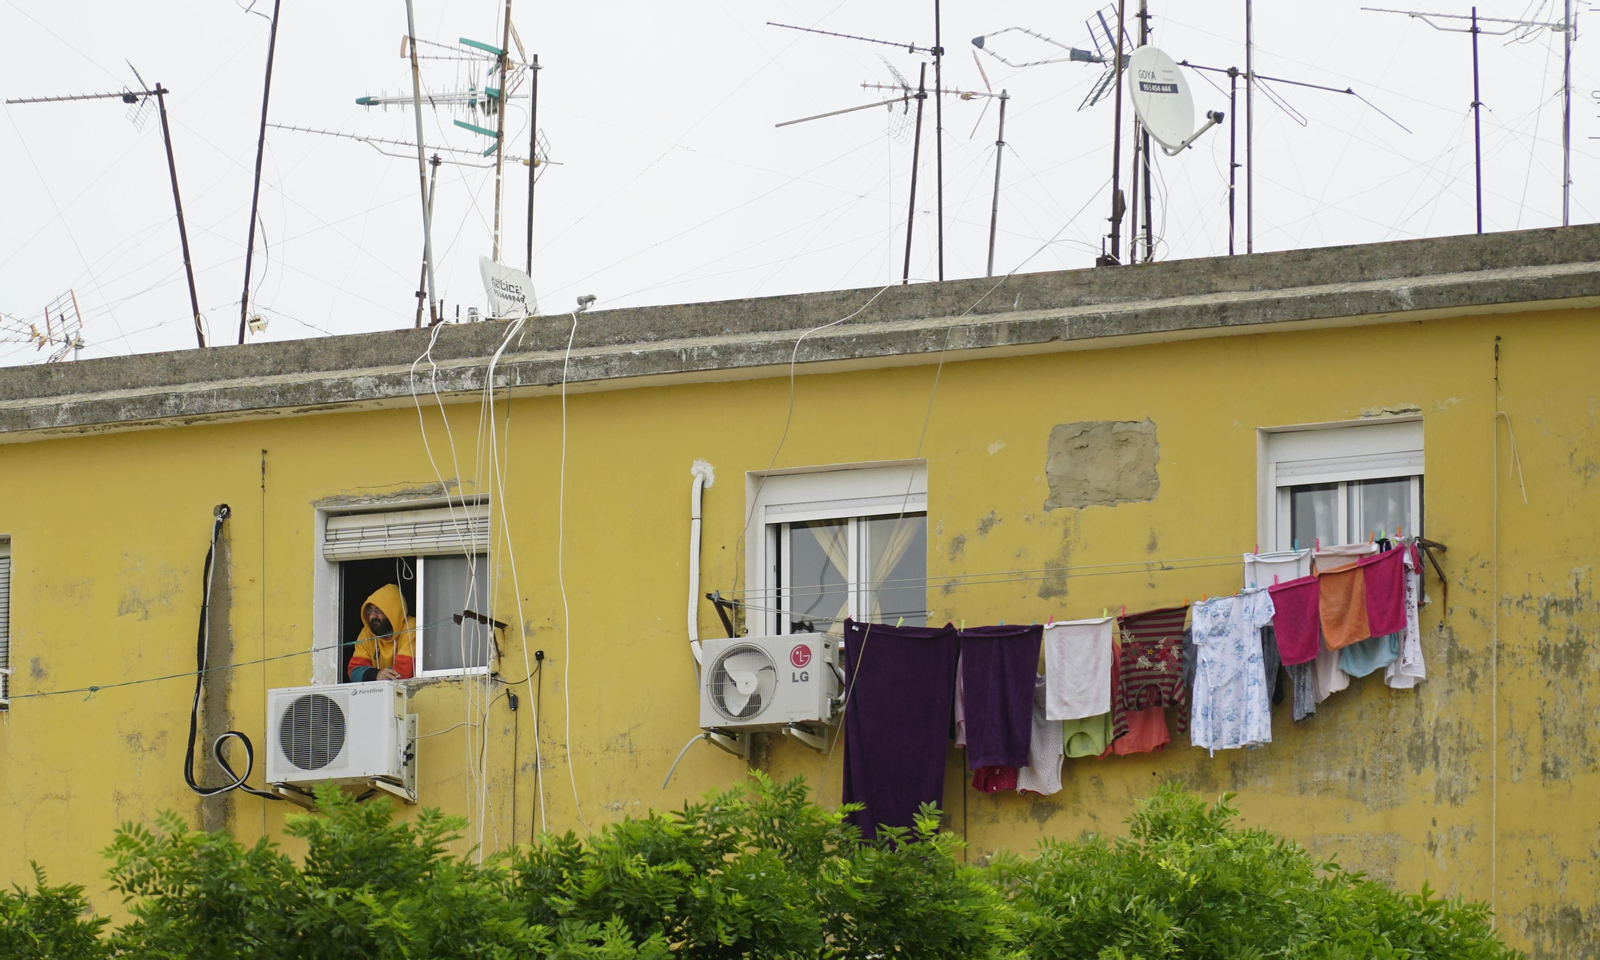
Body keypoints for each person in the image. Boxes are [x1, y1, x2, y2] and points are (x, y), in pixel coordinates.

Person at [347, 584, 416, 682]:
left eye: (378, 610)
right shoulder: (367, 633)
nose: (372, 616)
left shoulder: (410, 627)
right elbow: (354, 672)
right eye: (370, 611)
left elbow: (406, 670)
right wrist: (376, 675)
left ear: (393, 611)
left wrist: (381, 677)